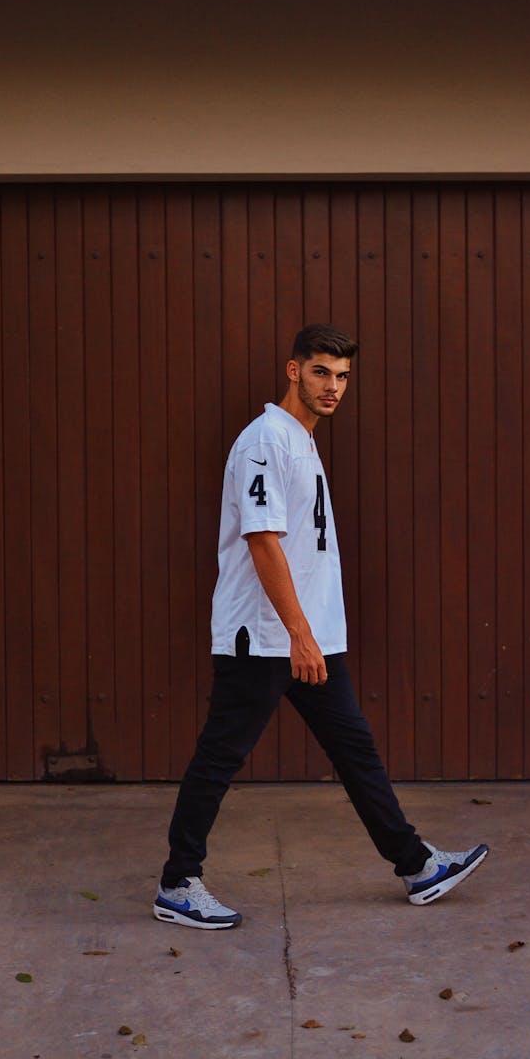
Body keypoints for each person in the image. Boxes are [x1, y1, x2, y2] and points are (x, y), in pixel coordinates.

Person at [153, 324, 488, 930]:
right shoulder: (265, 441)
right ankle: (178, 883)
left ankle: (416, 865)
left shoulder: (302, 441)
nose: (333, 387)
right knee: (219, 757)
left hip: (310, 639)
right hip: (265, 636)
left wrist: (314, 637)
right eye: (320, 373)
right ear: (292, 371)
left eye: (342, 378)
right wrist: (300, 636)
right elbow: (262, 542)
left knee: (356, 751)